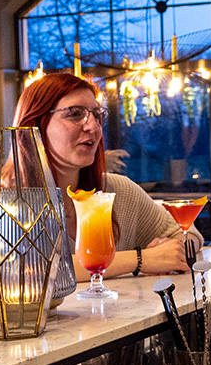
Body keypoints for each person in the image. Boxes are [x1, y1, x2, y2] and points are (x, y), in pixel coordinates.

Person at [14, 72, 200, 280]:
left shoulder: (117, 190)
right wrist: (140, 259)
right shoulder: (7, 203)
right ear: (35, 124)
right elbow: (32, 271)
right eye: (75, 114)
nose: (93, 126)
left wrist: (171, 250)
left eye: (97, 115)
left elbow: (187, 232)